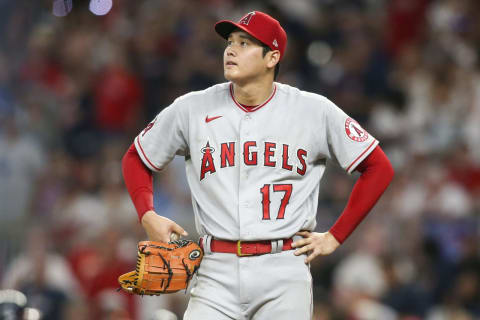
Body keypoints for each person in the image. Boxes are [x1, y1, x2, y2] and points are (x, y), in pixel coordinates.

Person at [122, 11, 394, 320]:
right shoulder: (192, 108)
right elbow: (136, 157)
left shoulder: (312, 111)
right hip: (215, 269)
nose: (231, 50)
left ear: (272, 57)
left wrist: (335, 235)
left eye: (245, 43)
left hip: (283, 268)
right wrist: (147, 214)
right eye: (230, 42)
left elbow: (378, 167)